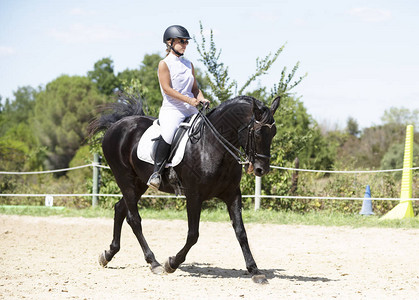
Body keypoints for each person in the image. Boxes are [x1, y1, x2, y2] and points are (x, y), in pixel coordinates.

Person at [147, 25, 209, 189]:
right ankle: (157, 173)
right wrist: (189, 101)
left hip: (191, 109)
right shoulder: (164, 64)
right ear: (169, 42)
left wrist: (201, 98)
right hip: (172, 110)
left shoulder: (189, 64)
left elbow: (194, 89)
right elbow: (167, 89)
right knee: (168, 135)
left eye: (186, 42)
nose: (185, 44)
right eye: (181, 41)